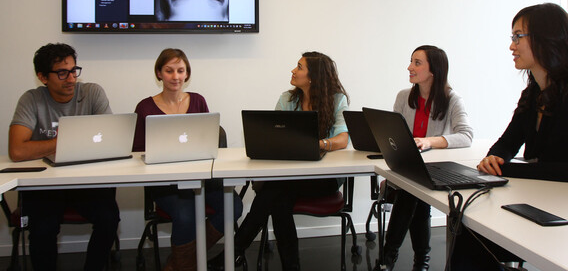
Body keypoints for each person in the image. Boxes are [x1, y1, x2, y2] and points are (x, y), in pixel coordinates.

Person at [454, 3, 568, 269]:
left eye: (518, 37)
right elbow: (508, 142)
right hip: (542, 204)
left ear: (547, 38)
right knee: (468, 233)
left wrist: (530, 171)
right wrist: (495, 157)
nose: (512, 46)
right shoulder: (533, 94)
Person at [209, 51, 350, 271]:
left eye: (299, 67)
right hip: (290, 176)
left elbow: (342, 138)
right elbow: (274, 135)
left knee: (273, 192)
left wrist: (320, 144)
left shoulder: (336, 100)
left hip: (323, 178)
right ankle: (288, 266)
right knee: (278, 199)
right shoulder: (287, 99)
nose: (293, 70)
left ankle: (234, 253)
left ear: (313, 76)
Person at [8, 43, 120, 271]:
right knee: (42, 228)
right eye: (61, 73)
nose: (70, 79)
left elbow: (110, 141)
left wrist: (46, 146)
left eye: (73, 71)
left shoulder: (92, 92)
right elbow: (17, 151)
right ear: (42, 77)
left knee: (109, 218)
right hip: (45, 186)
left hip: (86, 183)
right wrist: (65, 142)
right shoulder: (31, 100)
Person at [133, 48, 242, 271]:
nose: (175, 76)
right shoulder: (145, 107)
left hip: (202, 178)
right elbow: (136, 151)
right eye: (169, 70)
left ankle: (183, 262)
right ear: (159, 73)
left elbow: (209, 141)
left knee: (234, 206)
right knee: (186, 213)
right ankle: (188, 264)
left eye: (180, 71)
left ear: (187, 74)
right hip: (165, 184)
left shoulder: (198, 101)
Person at [375, 45, 473, 271]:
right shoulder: (403, 97)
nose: (410, 67)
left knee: (411, 191)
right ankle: (420, 262)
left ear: (434, 70)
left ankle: (388, 260)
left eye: (417, 63)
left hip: (435, 170)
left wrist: (430, 141)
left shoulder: (451, 99)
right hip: (407, 169)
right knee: (413, 191)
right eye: (411, 61)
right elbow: (393, 135)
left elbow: (466, 135)